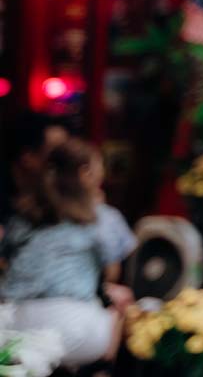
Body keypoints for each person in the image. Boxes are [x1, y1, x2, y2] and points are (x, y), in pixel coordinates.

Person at [0, 138, 122, 367]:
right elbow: (112, 273)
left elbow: (6, 260)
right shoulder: (102, 217)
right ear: (86, 173)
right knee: (119, 307)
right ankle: (101, 372)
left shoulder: (23, 216)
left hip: (12, 325)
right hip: (76, 329)